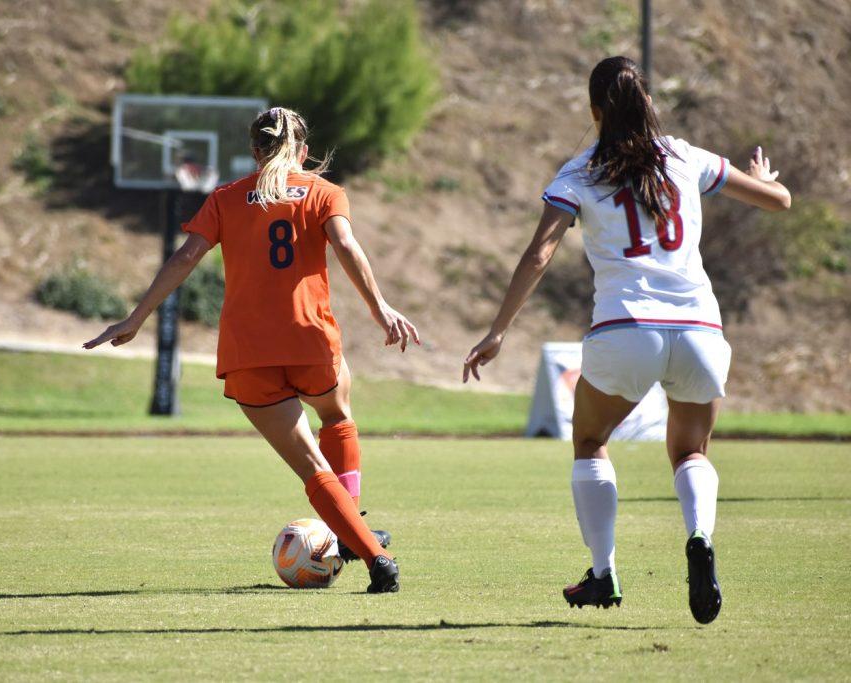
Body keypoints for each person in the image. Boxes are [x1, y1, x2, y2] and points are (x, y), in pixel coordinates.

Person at [462, 56, 791, 623]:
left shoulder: (579, 171)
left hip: (626, 329)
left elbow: (540, 253)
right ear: (648, 104)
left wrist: (497, 332)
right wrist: (763, 182)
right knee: (690, 452)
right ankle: (700, 538)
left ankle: (603, 572)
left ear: (594, 111)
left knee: (590, 441)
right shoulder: (685, 156)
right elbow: (778, 201)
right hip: (699, 330)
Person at [84, 106, 420, 593]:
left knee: (310, 467)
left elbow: (185, 258)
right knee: (337, 413)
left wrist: (137, 319)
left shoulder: (226, 198)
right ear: (303, 152)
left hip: (248, 355)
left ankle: (369, 552)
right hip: (310, 341)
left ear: (253, 151)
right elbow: (346, 246)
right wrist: (380, 306)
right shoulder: (325, 192)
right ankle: (353, 529)